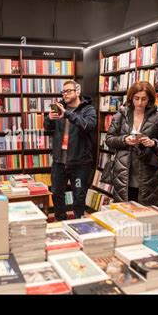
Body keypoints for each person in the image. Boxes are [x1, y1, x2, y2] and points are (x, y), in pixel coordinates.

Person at [106, 81, 158, 206]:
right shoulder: (121, 115)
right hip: (123, 170)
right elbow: (109, 139)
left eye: (144, 99)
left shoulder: (157, 117)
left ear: (149, 99)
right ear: (131, 98)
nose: (139, 103)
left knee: (146, 211)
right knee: (124, 210)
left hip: (147, 171)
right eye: (136, 98)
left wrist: (152, 143)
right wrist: (124, 140)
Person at [44, 80, 96, 221]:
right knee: (56, 192)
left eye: (69, 91)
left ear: (77, 92)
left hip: (80, 162)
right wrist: (49, 119)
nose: (65, 94)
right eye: (63, 91)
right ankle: (60, 219)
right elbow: (47, 128)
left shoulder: (88, 110)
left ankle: (78, 220)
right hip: (59, 160)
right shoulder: (59, 107)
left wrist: (67, 114)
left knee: (79, 194)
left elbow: (89, 126)